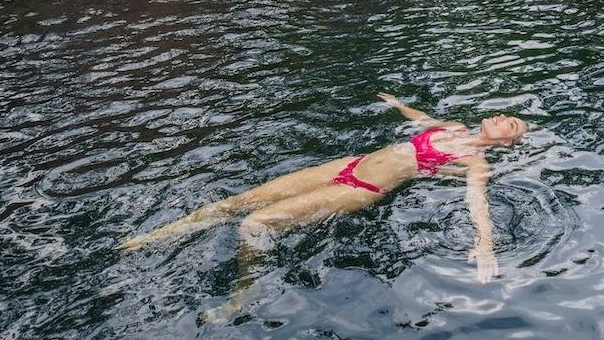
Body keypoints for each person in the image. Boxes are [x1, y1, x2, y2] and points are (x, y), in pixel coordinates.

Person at [120, 93, 529, 283]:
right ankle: (159, 235)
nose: (504, 117)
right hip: (348, 165)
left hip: (364, 187)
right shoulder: (453, 127)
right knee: (239, 201)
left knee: (254, 224)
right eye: (507, 114)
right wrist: (397, 104)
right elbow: (422, 119)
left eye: (511, 124)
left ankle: (244, 291)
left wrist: (485, 243)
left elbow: (477, 200)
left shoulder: (477, 163)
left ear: (506, 142)